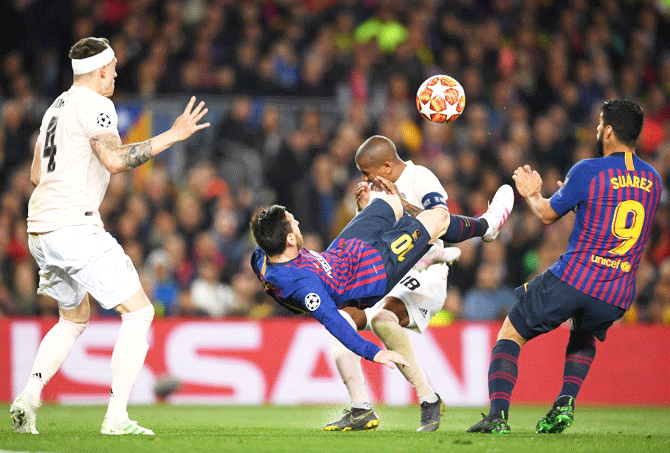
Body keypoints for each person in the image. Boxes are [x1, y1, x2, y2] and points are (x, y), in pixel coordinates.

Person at [10, 37, 209, 435]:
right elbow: (115, 160)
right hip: (73, 225)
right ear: (100, 69)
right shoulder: (98, 106)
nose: (117, 72)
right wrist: (172, 135)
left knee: (73, 318)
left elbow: (35, 175)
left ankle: (28, 398)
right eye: (113, 66)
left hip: (40, 228)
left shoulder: (56, 108)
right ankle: (116, 416)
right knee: (140, 312)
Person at [250, 138, 514, 415]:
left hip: (341, 254)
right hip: (369, 273)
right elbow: (335, 323)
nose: (299, 222)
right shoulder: (305, 287)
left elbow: (266, 236)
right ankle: (488, 225)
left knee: (390, 203)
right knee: (436, 219)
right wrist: (374, 352)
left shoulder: (262, 255)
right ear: (290, 239)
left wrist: (365, 211)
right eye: (294, 222)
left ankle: (424, 250)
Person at [468, 99, 662, 434]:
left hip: (576, 278)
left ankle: (497, 418)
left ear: (610, 130)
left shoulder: (588, 170)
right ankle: (564, 403)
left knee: (510, 332)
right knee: (583, 331)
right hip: (617, 290)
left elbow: (545, 215)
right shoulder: (654, 179)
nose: (598, 129)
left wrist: (532, 193)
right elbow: (617, 217)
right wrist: (576, 201)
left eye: (601, 124)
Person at [323, 135, 463, 432]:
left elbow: (443, 222)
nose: (363, 179)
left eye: (366, 172)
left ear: (386, 166)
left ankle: (427, 399)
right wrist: (364, 211)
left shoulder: (421, 177)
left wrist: (400, 202)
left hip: (427, 270)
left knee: (382, 320)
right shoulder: (376, 191)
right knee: (341, 323)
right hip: (386, 272)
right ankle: (361, 408)